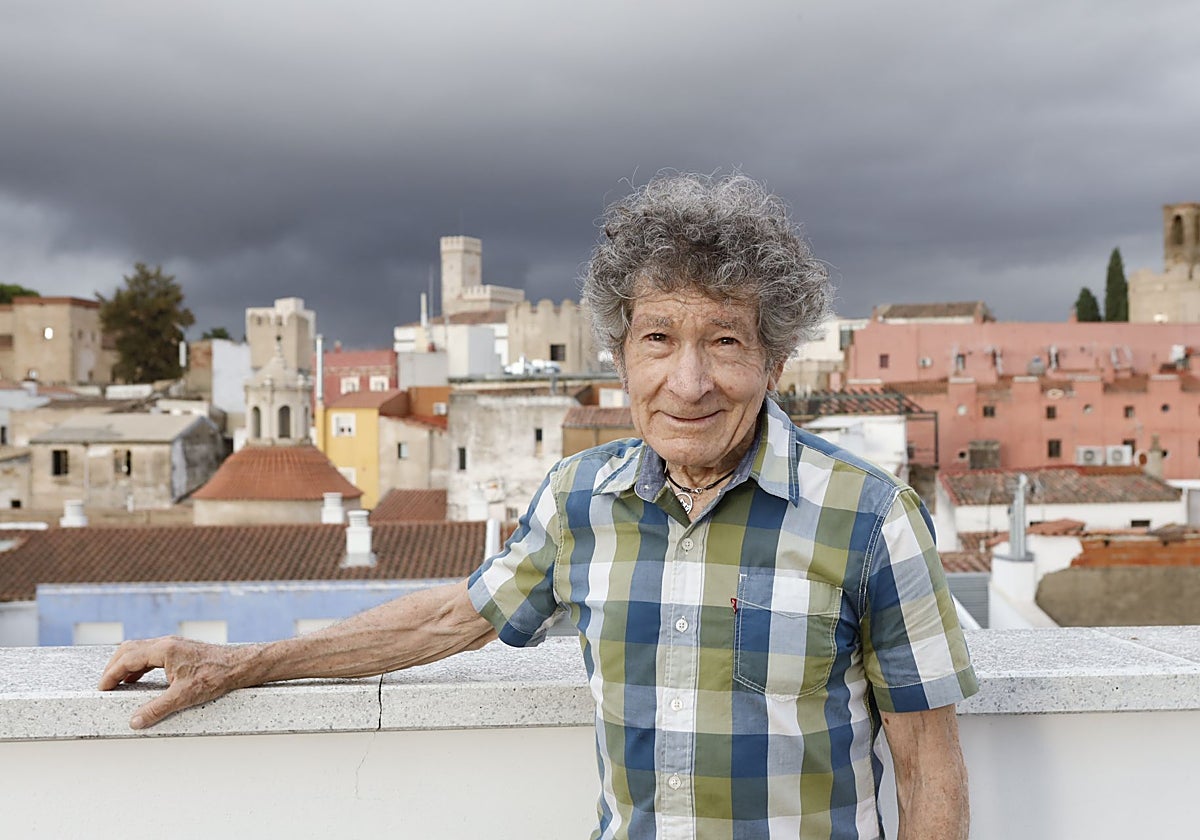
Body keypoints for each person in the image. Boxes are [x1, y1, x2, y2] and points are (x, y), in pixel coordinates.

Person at [101, 172, 977, 840]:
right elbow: (445, 621)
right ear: (621, 358)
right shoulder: (579, 498)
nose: (689, 382)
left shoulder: (871, 518)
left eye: (725, 342)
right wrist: (237, 664)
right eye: (658, 340)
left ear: (775, 361)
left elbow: (927, 765)